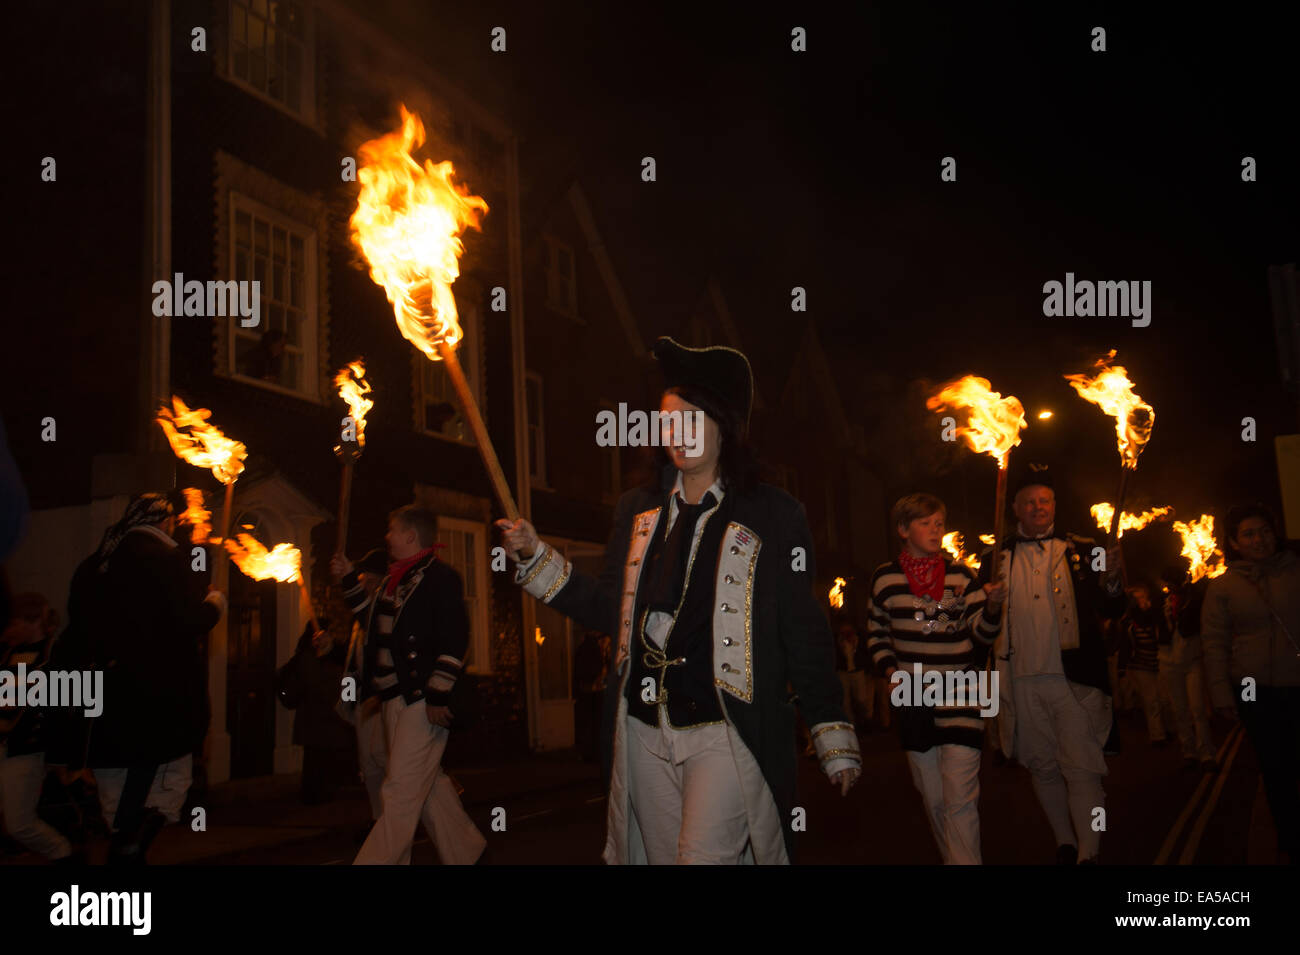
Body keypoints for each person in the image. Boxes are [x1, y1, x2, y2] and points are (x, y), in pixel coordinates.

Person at [497, 336, 861, 865]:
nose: (675, 433)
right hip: (644, 728)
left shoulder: (774, 513)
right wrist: (535, 556)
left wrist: (829, 723)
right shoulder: (637, 509)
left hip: (724, 730)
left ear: (724, 424)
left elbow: (802, 628)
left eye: (691, 419)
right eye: (666, 420)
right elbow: (606, 609)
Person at [979, 464, 1124, 864]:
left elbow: (1112, 604)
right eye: (1029, 502)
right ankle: (1066, 842)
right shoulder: (992, 559)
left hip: (1071, 680)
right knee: (1041, 766)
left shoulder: (1087, 550)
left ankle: (1090, 853)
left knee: (1082, 769)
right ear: (1015, 508)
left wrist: (1112, 577)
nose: (1037, 507)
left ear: (1054, 505)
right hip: (1019, 680)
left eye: (1044, 500)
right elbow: (980, 628)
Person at [330, 506, 485, 865]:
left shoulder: (440, 578)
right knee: (425, 788)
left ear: (412, 536)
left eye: (392, 530)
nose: (387, 537)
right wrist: (349, 579)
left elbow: (455, 637)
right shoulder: (392, 580)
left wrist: (438, 693)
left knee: (399, 791)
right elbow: (370, 623)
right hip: (391, 701)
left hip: (419, 701)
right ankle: (468, 854)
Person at [85, 493, 226, 863]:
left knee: (117, 792)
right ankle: (127, 851)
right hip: (159, 698)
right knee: (163, 786)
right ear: (164, 523)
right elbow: (184, 623)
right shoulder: (164, 560)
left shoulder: (101, 559)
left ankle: (125, 850)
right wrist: (212, 606)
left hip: (109, 697)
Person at [866, 493, 1005, 865]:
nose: (935, 529)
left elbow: (984, 636)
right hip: (912, 697)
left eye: (939, 523)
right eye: (925, 522)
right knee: (934, 799)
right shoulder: (885, 578)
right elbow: (876, 634)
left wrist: (992, 608)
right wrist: (890, 670)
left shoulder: (963, 575)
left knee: (960, 799)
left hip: (963, 692)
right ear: (903, 529)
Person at [1201, 503, 1300, 863]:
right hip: (1254, 689)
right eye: (1249, 534)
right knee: (1276, 768)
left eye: (1264, 531)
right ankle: (1290, 839)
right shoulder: (1224, 587)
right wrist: (1221, 693)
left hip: (1297, 682)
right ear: (1234, 542)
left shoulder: (1295, 572)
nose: (1259, 539)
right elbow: (1214, 643)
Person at [0, 593, 75, 862]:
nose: (9, 629)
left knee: (20, 823)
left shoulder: (52, 656)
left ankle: (61, 851)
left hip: (27, 749)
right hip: (9, 744)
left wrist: (59, 758)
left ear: (29, 621)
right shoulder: (12, 653)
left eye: (14, 622)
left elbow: (60, 711)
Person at [276, 618, 355, 805]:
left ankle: (318, 795)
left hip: (319, 720)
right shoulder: (308, 658)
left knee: (318, 762)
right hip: (320, 720)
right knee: (317, 763)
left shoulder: (317, 656)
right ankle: (315, 797)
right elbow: (318, 685)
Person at [1158, 566, 1217, 771]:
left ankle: (1207, 753)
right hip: (1168, 660)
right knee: (1179, 710)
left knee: (1198, 709)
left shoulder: (1194, 598)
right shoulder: (1160, 600)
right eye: (1166, 583)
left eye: (1172, 582)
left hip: (1191, 659)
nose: (1168, 586)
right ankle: (1189, 751)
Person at [1119, 582, 1169, 746]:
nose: (1142, 600)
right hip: (1140, 665)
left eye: (1143, 597)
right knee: (1151, 700)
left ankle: (1168, 729)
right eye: (1138, 598)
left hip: (1158, 661)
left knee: (1164, 698)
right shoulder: (1129, 622)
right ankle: (1158, 736)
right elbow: (1125, 645)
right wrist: (1122, 667)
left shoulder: (1156, 616)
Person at [834, 622, 872, 733]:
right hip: (843, 672)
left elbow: (865, 653)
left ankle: (864, 720)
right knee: (845, 700)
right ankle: (852, 724)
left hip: (858, 671)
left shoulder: (859, 640)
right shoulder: (838, 641)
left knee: (862, 698)